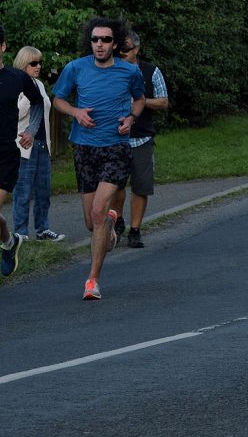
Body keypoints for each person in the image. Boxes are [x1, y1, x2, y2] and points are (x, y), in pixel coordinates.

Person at [52, 17, 146, 300]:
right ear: (90, 42)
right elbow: (59, 99)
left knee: (97, 212)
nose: (100, 44)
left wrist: (130, 118)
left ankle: (92, 280)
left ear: (115, 43)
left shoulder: (129, 72)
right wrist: (76, 113)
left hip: (115, 148)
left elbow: (139, 100)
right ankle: (109, 229)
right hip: (84, 149)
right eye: (95, 39)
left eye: (105, 40)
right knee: (91, 222)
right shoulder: (75, 68)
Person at [111, 30, 169, 248]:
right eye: (120, 49)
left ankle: (135, 230)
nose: (122, 53)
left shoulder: (150, 71)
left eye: (127, 49)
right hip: (115, 136)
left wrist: (141, 101)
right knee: (115, 185)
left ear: (137, 49)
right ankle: (118, 221)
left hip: (141, 137)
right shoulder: (110, 69)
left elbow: (163, 102)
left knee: (141, 186)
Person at [0, 24, 42, 280]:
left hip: (4, 155)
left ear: (3, 46)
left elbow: (37, 102)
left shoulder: (17, 77)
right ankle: (9, 241)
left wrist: (32, 130)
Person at [12, 46, 65, 242]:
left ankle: (43, 230)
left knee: (44, 191)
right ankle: (20, 233)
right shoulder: (16, 84)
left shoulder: (40, 85)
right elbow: (15, 113)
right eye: (33, 63)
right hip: (24, 146)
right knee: (23, 192)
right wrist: (27, 95)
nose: (38, 66)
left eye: (40, 62)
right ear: (23, 64)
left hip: (42, 144)